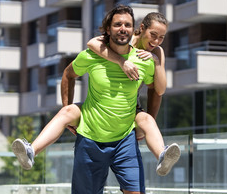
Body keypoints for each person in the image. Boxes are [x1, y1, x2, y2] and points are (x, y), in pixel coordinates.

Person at [11, 10, 180, 178]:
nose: (156, 41)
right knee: (67, 112)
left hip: (129, 105)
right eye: (153, 35)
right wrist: (122, 61)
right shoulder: (123, 39)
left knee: (147, 120)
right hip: (100, 102)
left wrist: (156, 61)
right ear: (142, 28)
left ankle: (162, 156)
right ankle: (31, 151)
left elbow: (159, 91)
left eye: (161, 37)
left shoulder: (156, 52)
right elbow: (92, 43)